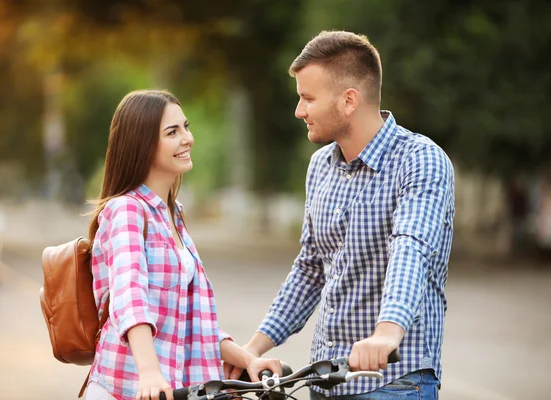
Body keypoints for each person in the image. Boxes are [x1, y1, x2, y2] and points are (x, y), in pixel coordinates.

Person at [224, 31, 455, 399]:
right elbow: (310, 268)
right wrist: (254, 348)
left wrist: (387, 332)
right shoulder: (320, 166)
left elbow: (411, 249)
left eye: (307, 98)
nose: (299, 111)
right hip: (324, 380)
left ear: (349, 100)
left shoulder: (420, 160)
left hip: (392, 382)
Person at [86, 90, 282, 400]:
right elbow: (129, 294)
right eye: (172, 132)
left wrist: (249, 360)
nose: (187, 138)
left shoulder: (172, 214)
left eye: (186, 127)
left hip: (175, 390)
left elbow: (191, 320)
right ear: (143, 143)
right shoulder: (127, 209)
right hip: (128, 390)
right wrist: (149, 372)